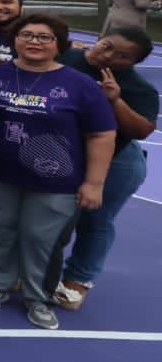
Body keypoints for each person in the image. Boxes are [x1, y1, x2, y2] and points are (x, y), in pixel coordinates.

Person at [0, 14, 116, 330]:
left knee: (40, 238)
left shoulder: (80, 85)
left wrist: (94, 182)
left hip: (56, 180)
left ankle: (38, 297)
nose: (34, 41)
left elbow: (101, 134)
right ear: (15, 40)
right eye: (27, 35)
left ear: (59, 45)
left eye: (44, 37)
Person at [53, 26, 159, 310]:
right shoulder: (67, 58)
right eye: (107, 46)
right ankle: (33, 269)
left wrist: (115, 100)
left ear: (133, 63)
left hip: (117, 160)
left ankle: (77, 279)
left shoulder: (137, 88)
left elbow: (142, 129)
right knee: (49, 215)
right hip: (65, 153)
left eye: (123, 56)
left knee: (96, 221)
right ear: (97, 40)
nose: (109, 56)